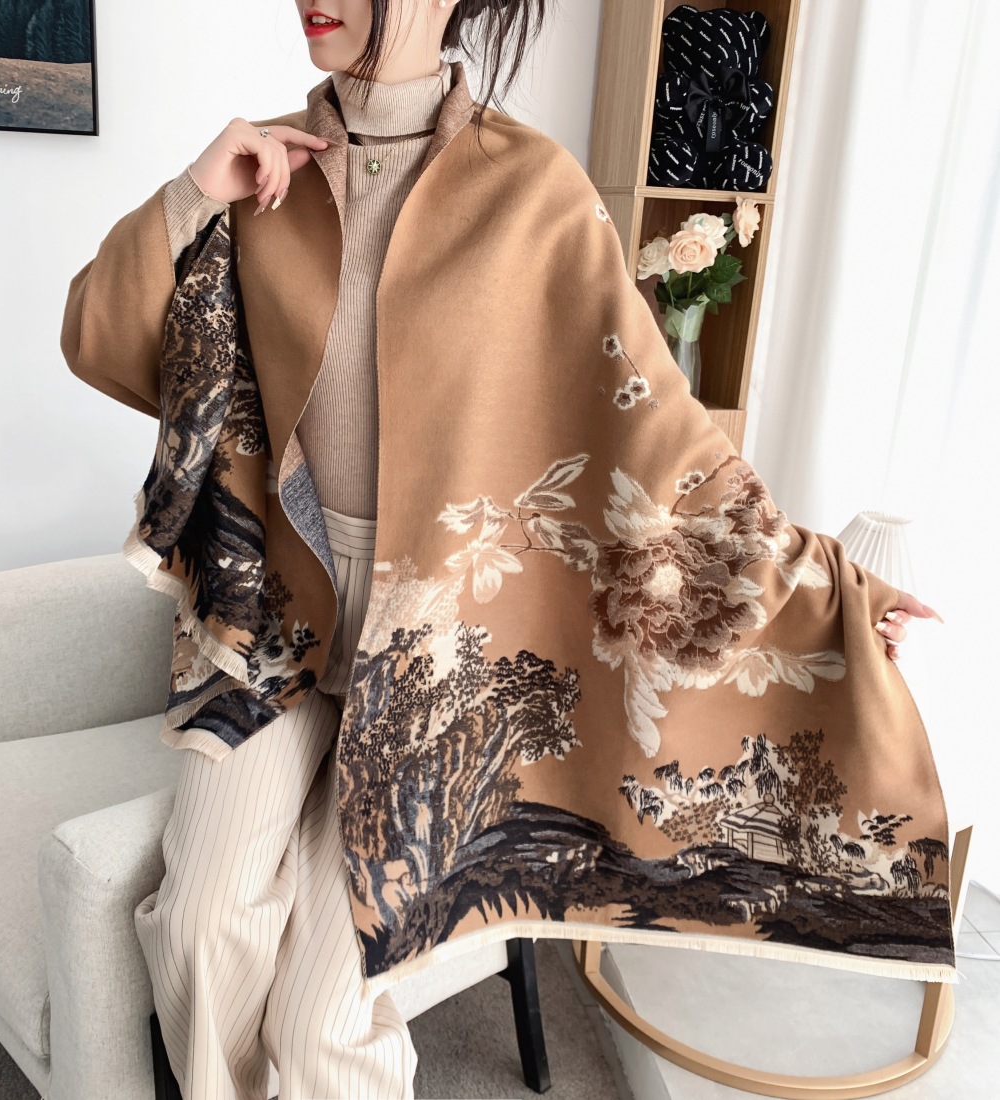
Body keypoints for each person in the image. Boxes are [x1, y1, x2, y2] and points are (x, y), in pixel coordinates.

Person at [61, 1, 940, 1097]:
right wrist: (197, 190)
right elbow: (98, 335)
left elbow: (661, 432)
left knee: (324, 1012)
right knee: (197, 924)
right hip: (278, 627)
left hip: (442, 658)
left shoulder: (532, 191)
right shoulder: (264, 177)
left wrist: (826, 582)